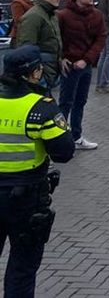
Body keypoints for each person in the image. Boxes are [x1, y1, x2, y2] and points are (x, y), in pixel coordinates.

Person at [0, 46, 75, 296]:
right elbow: (64, 152)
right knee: (22, 269)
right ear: (33, 73)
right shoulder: (41, 108)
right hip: (25, 199)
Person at [57, 0, 107, 150]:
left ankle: (76, 136)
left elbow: (100, 38)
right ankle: (59, 138)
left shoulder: (97, 15)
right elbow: (58, 39)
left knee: (81, 101)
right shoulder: (63, 16)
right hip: (69, 65)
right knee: (65, 102)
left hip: (85, 64)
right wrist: (62, 57)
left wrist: (87, 59)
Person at [14, 0, 64, 90]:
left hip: (50, 68)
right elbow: (26, 47)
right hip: (39, 73)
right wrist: (36, 73)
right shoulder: (34, 16)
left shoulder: (51, 14)